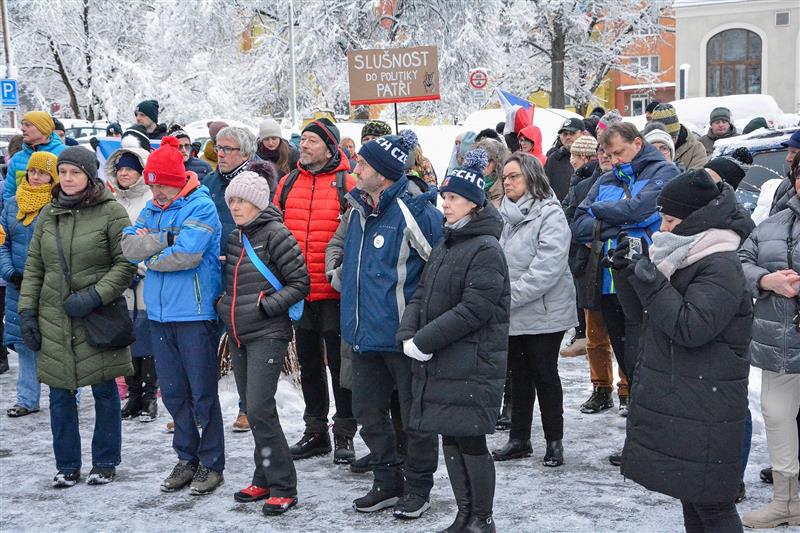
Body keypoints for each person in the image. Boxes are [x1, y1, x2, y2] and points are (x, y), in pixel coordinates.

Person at [617, 170, 753, 533]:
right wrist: (626, 274)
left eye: (671, 220)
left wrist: (649, 280)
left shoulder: (719, 263)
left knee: (712, 507)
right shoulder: (682, 253)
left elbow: (690, 327)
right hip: (690, 397)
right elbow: (645, 316)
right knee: (692, 499)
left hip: (708, 403)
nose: (662, 228)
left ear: (695, 221)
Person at [397, 148, 510, 532]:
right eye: (444, 197)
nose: (445, 204)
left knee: (472, 442)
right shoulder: (449, 243)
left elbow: (474, 310)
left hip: (472, 363)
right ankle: (464, 513)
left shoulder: (486, 249)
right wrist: (408, 333)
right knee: (451, 437)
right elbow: (421, 293)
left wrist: (425, 340)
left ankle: (482, 518)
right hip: (444, 361)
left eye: (454, 199)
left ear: (474, 205)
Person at [18, 146, 136, 487]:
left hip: (97, 316)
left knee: (103, 389)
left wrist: (94, 296)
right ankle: (67, 465)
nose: (68, 179)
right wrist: (27, 311)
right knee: (59, 394)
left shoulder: (111, 212)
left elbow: (125, 263)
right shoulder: (48, 213)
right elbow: (35, 268)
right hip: (55, 317)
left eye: (75, 173)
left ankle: (105, 461)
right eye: (64, 172)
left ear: (89, 175)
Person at [341, 130, 442, 518]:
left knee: (415, 419)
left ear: (382, 174)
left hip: (403, 338)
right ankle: (386, 481)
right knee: (368, 413)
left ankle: (418, 486)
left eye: (363, 164)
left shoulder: (415, 212)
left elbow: (439, 270)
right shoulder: (356, 209)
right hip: (362, 336)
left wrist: (419, 323)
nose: (355, 167)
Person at [571, 122, 680, 464]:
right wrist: (618, 221)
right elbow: (578, 224)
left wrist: (603, 218)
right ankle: (640, 439)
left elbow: (643, 210)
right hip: (609, 283)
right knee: (630, 365)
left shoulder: (663, 171)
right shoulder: (607, 180)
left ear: (638, 143)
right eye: (609, 154)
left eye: (619, 152)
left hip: (647, 283)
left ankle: (663, 440)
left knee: (654, 367)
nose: (614, 160)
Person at [121, 137, 225, 495]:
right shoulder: (152, 207)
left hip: (194, 314)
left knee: (202, 394)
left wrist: (152, 254)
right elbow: (128, 246)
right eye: (152, 185)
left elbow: (188, 256)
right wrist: (167, 238)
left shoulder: (201, 205)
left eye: (163, 184)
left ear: (178, 179)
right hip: (159, 315)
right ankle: (186, 457)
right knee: (174, 394)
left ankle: (211, 464)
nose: (157, 192)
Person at [216, 172, 309, 516]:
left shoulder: (276, 235)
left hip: (267, 334)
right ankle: (264, 475)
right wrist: (223, 307)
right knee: (253, 408)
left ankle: (284, 485)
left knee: (258, 408)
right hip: (239, 333)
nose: (235, 206)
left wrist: (266, 306)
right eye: (232, 201)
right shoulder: (234, 238)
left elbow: (300, 283)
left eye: (241, 201)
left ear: (258, 203)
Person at [272, 118, 357, 464]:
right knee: (309, 365)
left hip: (335, 293)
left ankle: (345, 432)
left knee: (340, 366)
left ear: (329, 146)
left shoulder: (347, 183)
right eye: (302, 140)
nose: (303, 146)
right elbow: (275, 228)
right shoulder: (289, 183)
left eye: (311, 141)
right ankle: (316, 430)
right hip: (300, 291)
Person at [492, 152, 576, 467]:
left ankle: (555, 441)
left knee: (544, 374)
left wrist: (509, 296)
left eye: (514, 176)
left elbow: (547, 267)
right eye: (505, 177)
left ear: (531, 177)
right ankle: (519, 438)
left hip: (544, 311)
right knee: (519, 375)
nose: (508, 181)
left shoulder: (549, 214)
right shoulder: (505, 214)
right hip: (514, 311)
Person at [739, 151, 800, 529]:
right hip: (781, 342)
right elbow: (741, 260)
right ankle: (786, 501)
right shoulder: (773, 223)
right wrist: (766, 280)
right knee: (777, 417)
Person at [564, 142, 629, 414]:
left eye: (611, 152)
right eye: (602, 151)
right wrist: (595, 235)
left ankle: (627, 389)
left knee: (626, 335)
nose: (605, 157)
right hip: (591, 267)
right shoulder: (582, 188)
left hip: (624, 271)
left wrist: (599, 231)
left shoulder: (633, 186)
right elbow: (569, 222)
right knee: (595, 335)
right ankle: (600, 388)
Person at [104, 146, 159, 423]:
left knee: (146, 338)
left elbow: (149, 237)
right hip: (120, 279)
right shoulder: (113, 201)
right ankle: (133, 394)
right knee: (126, 337)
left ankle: (150, 396)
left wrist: (139, 266)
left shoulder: (150, 199)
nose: (124, 173)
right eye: (120, 169)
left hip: (144, 275)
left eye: (130, 169)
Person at [2, 152, 58, 417]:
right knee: (25, 342)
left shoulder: (57, 205)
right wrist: (10, 272)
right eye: (33, 172)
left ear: (52, 177)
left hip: (49, 285)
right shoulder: (12, 204)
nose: (36, 177)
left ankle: (67, 393)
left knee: (55, 341)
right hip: (17, 284)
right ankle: (26, 399)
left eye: (43, 173)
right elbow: (3, 242)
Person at [560, 134, 598, 359]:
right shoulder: (580, 177)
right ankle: (583, 334)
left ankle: (586, 336)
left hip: (583, 243)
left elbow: (574, 209)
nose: (571, 160)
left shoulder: (586, 181)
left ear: (584, 156)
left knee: (584, 290)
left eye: (574, 155)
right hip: (576, 240)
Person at [4, 111, 66, 201]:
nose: (22, 128)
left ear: (43, 128)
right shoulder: (17, 159)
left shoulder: (65, 153)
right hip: (21, 213)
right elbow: (9, 193)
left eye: (28, 125)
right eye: (22, 125)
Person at [651, 104, 707, 170]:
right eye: (664, 138)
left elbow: (697, 176)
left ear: (678, 131)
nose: (670, 142)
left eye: (673, 137)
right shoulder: (643, 146)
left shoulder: (696, 148)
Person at [545, 118, 587, 201]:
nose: (568, 137)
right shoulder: (553, 159)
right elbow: (544, 188)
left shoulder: (593, 157)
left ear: (583, 134)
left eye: (572, 133)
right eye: (564, 134)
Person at [474, 137, 510, 208]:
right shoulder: (469, 179)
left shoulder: (503, 185)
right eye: (481, 159)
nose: (484, 164)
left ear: (497, 162)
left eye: (489, 160)